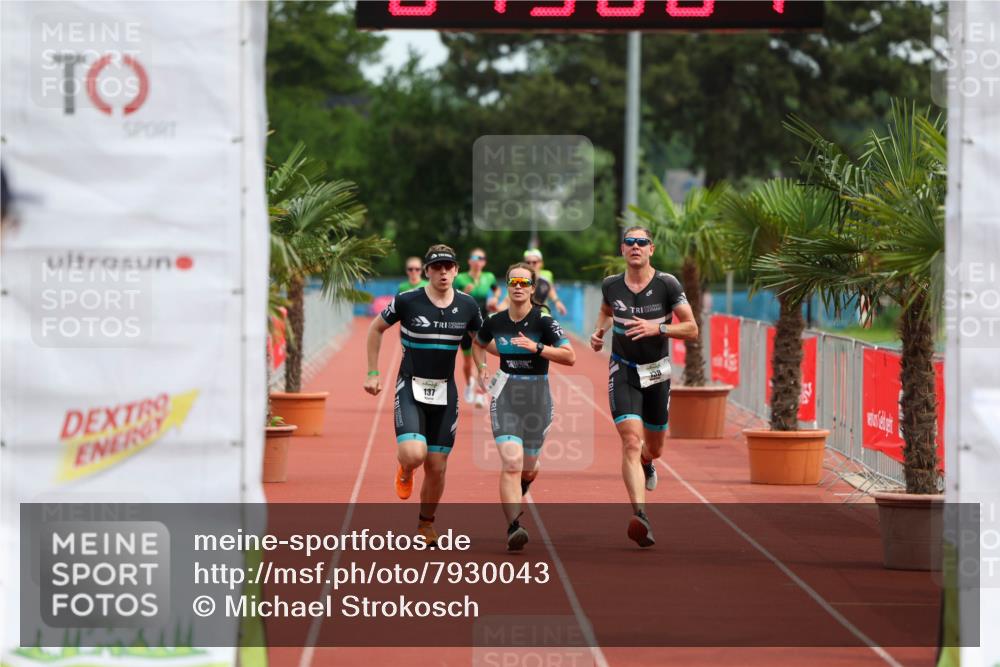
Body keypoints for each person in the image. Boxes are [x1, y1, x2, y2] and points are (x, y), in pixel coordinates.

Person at [365, 245, 483, 546]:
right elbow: (375, 329)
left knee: (437, 466)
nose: (443, 272)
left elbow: (481, 340)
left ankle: (425, 524)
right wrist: (373, 372)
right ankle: (405, 469)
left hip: (446, 391)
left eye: (448, 267)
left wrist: (486, 367)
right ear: (427, 271)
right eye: (436, 267)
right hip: (411, 386)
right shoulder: (408, 300)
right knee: (414, 454)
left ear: (456, 270)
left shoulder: (468, 305)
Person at [589, 226, 698, 548]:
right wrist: (599, 332)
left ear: (651, 249)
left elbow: (691, 328)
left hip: (656, 372)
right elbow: (606, 312)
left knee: (654, 448)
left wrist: (658, 328)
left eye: (642, 242)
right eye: (630, 242)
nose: (635, 246)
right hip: (623, 369)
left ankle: (648, 463)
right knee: (631, 442)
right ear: (622, 249)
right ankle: (640, 514)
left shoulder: (667, 284)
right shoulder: (611, 285)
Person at [473, 262, 575, 551]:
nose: (518, 287)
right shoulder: (494, 321)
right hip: (506, 396)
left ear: (532, 288)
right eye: (513, 282)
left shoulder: (543, 321)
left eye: (524, 283)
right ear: (507, 287)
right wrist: (482, 367)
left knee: (528, 466)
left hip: (537, 399)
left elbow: (570, 356)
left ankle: (526, 479)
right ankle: (513, 526)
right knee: (511, 463)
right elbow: (478, 344)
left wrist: (537, 348)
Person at [454, 247, 500, 407]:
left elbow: (496, 289)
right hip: (464, 324)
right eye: (475, 257)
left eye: (481, 258)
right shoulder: (460, 278)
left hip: (482, 323)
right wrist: (463, 293)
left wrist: (494, 299)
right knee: (467, 362)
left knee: (482, 360)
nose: (478, 261)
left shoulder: (489, 277)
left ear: (484, 262)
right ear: (469, 261)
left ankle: (481, 393)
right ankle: (469, 384)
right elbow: (452, 297)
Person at [500, 249, 567, 316]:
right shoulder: (520, 278)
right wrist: (497, 310)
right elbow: (508, 299)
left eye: (534, 262)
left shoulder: (547, 275)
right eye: (528, 262)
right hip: (525, 316)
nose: (531, 265)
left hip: (543, 314)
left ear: (541, 263)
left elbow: (550, 289)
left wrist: (557, 301)